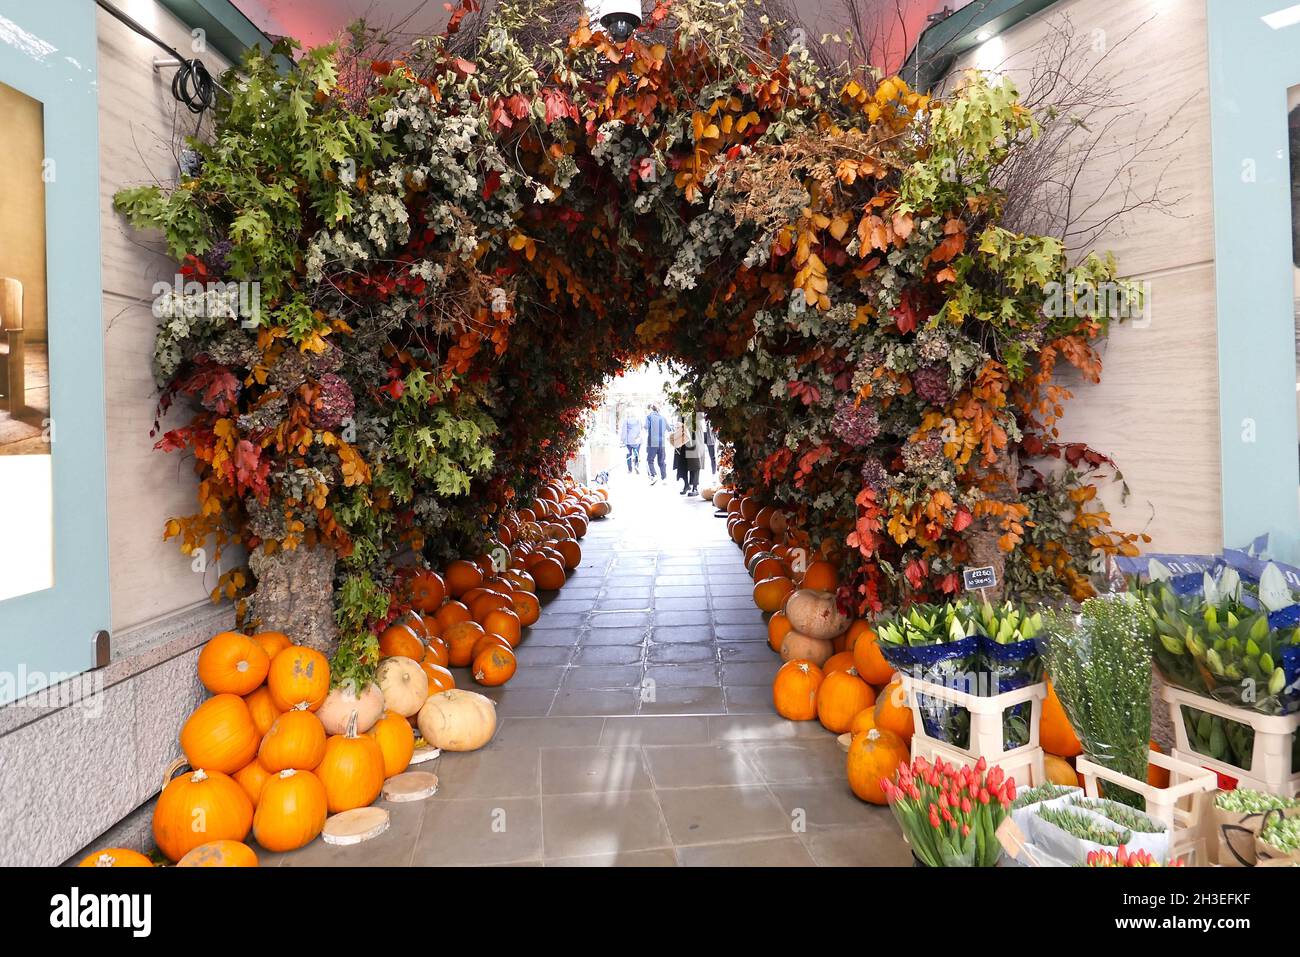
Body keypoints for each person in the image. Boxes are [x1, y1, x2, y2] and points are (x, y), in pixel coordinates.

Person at [644, 403, 669, 485]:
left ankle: (653, 476)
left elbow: (646, 427)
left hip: (652, 443)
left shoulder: (649, 417)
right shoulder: (663, 418)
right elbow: (669, 429)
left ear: (651, 409)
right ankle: (664, 478)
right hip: (662, 443)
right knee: (661, 461)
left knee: (649, 461)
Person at [618, 407, 643, 474]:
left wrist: (622, 440)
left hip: (629, 441)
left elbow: (624, 431)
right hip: (637, 440)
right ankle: (636, 466)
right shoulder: (639, 420)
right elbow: (641, 429)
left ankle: (630, 469)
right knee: (636, 454)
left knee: (629, 454)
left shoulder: (626, 420)